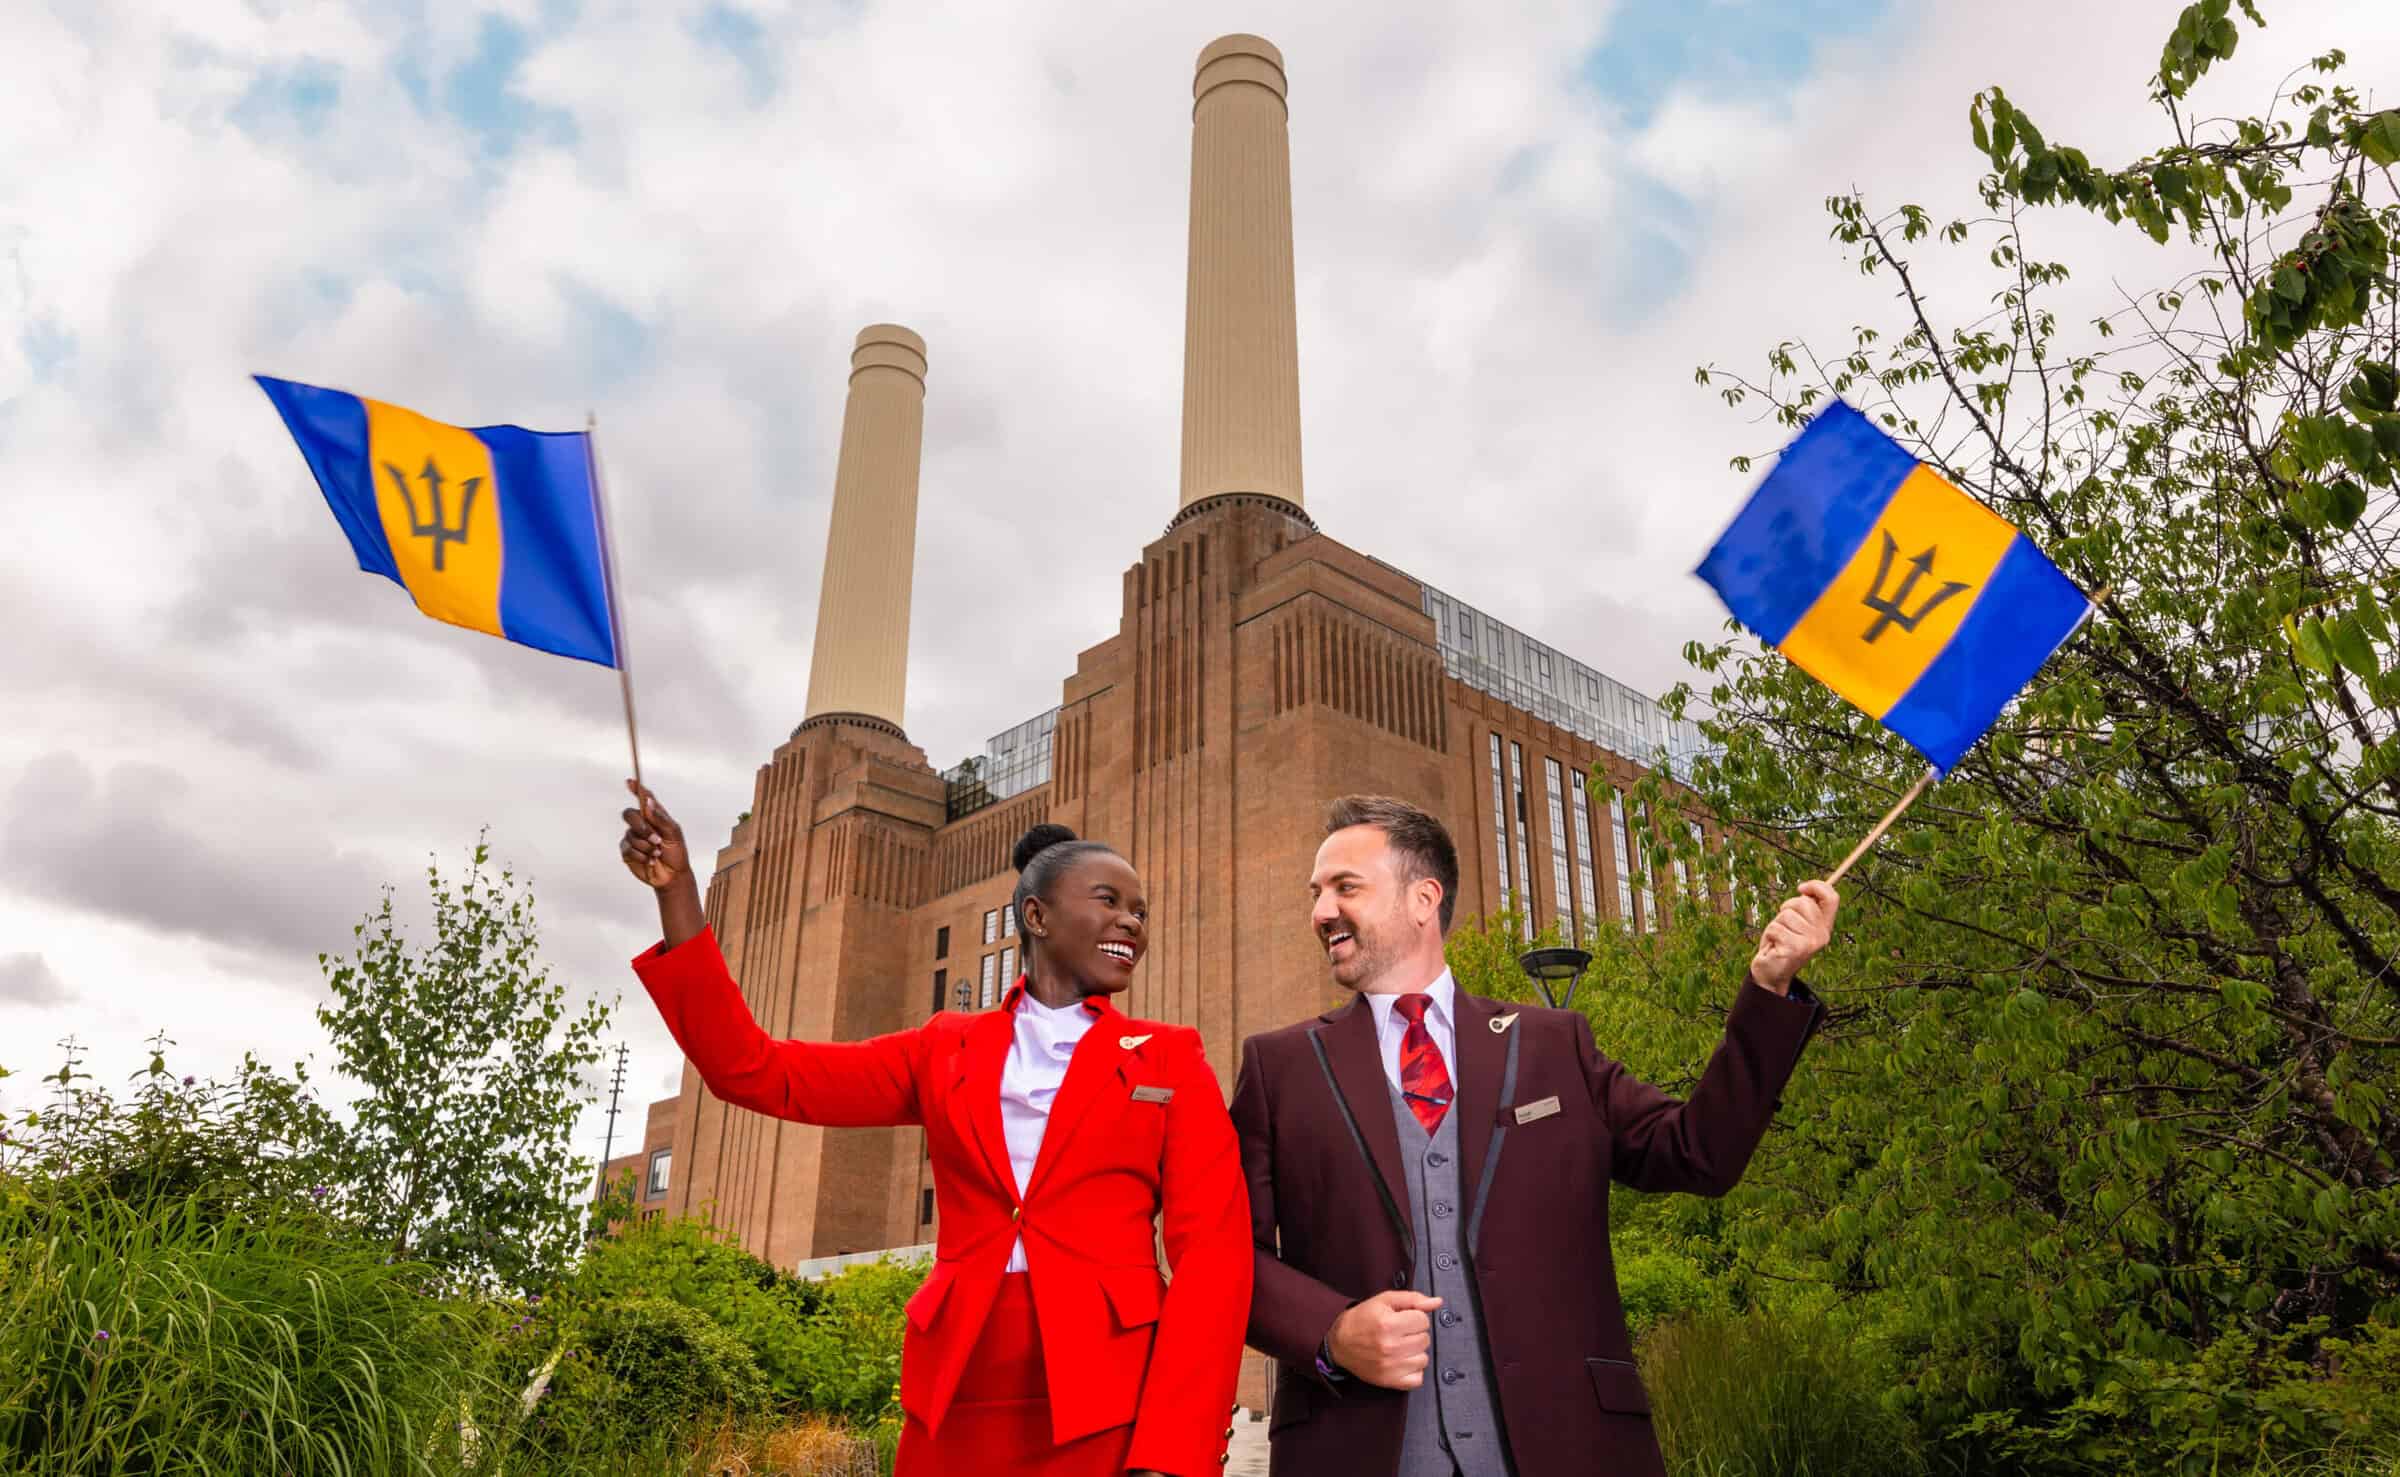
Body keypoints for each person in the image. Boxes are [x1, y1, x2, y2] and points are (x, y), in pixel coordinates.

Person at [618, 782, 1251, 1477]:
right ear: (1035, 915)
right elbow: (757, 1071)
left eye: (1140, 910)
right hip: (956, 1397)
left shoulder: (1171, 1055)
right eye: (1109, 900)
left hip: (1110, 1400)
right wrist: (676, 895)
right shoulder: (943, 1047)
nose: (1132, 921)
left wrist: (1173, 1452)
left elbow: (1214, 1257)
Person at [1231, 794, 1838, 1477]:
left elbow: (1698, 1152)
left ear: (1423, 898)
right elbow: (1227, 1260)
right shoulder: (1279, 1067)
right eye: (1316, 893)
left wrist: (1767, 988)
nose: (1320, 911)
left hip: (1567, 1443)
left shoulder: (1553, 1044)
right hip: (1352, 1449)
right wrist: (1333, 1331)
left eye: (1345, 887)